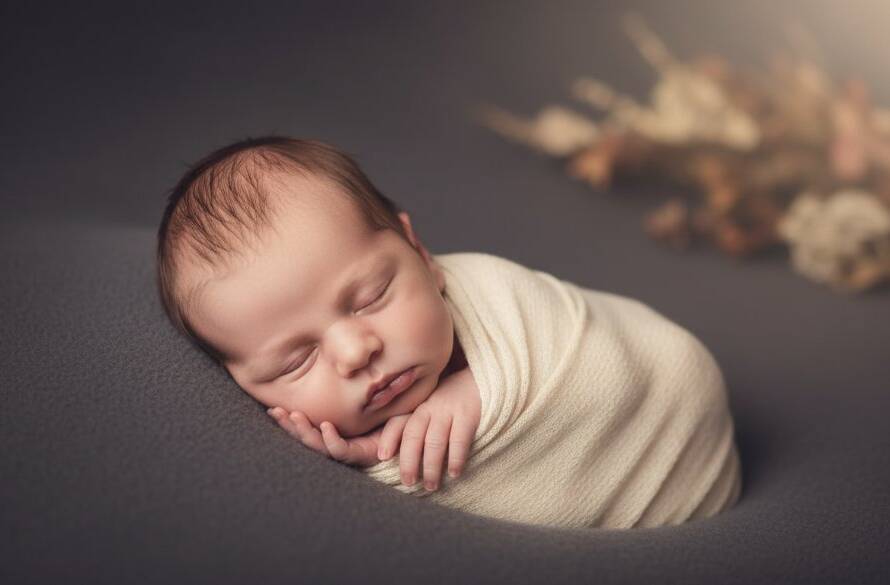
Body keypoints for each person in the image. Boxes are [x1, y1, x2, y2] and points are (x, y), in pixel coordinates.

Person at [156, 136, 742, 529]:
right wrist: (374, 461)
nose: (356, 351)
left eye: (370, 297)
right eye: (295, 362)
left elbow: (642, 365)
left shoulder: (500, 299)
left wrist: (476, 393)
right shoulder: (311, 449)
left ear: (419, 251)